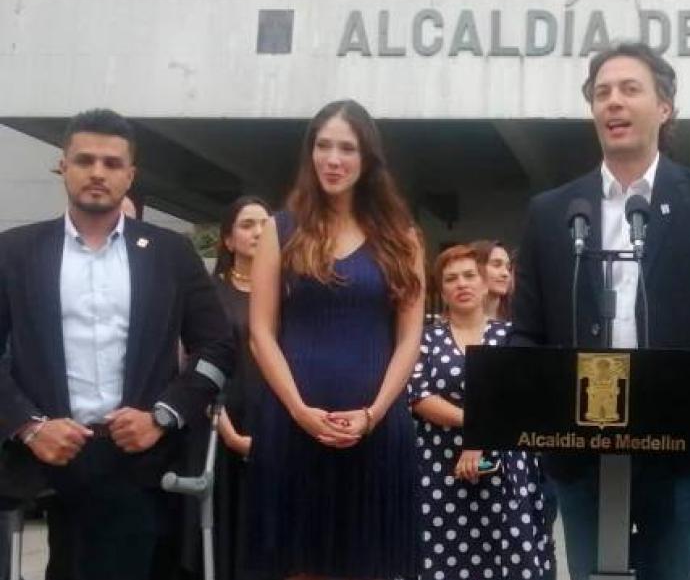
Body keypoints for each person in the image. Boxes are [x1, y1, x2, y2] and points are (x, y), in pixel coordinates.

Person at [509, 42, 690, 580]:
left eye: (630, 89)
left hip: (677, 444)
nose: (613, 103)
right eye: (601, 93)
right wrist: (538, 398)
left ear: (665, 107)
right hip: (578, 447)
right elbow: (526, 333)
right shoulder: (552, 211)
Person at [0, 108, 235, 580]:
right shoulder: (15, 252)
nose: (98, 172)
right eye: (85, 160)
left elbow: (218, 347)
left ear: (130, 175)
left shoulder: (170, 253)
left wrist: (163, 416)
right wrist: (28, 425)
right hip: (47, 458)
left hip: (139, 456)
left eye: (111, 163)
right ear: (63, 166)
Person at [246, 99, 426, 579]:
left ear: (367, 159)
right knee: (298, 567)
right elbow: (261, 332)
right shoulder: (278, 230)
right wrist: (299, 410)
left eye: (347, 148)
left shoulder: (402, 237)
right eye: (323, 146)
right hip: (292, 425)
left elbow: (410, 338)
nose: (333, 159)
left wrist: (373, 413)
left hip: (376, 426)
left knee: (371, 566)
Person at [411, 244, 553, 580]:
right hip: (440, 470)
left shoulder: (511, 337)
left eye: (469, 275)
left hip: (507, 471)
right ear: (441, 290)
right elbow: (418, 395)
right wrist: (477, 424)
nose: (462, 284)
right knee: (443, 561)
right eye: (451, 279)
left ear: (485, 282)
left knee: (509, 560)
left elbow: (522, 396)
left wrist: (482, 435)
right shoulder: (425, 339)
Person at [180, 196, 273, 580]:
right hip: (220, 428)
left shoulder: (289, 294)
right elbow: (192, 366)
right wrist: (230, 433)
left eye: (266, 224)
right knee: (218, 532)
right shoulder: (209, 295)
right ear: (228, 240)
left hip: (277, 427)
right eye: (248, 224)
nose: (258, 232)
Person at [471, 239, 513, 320]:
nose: (506, 274)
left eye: (508, 268)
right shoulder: (446, 324)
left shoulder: (520, 320)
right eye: (496, 265)